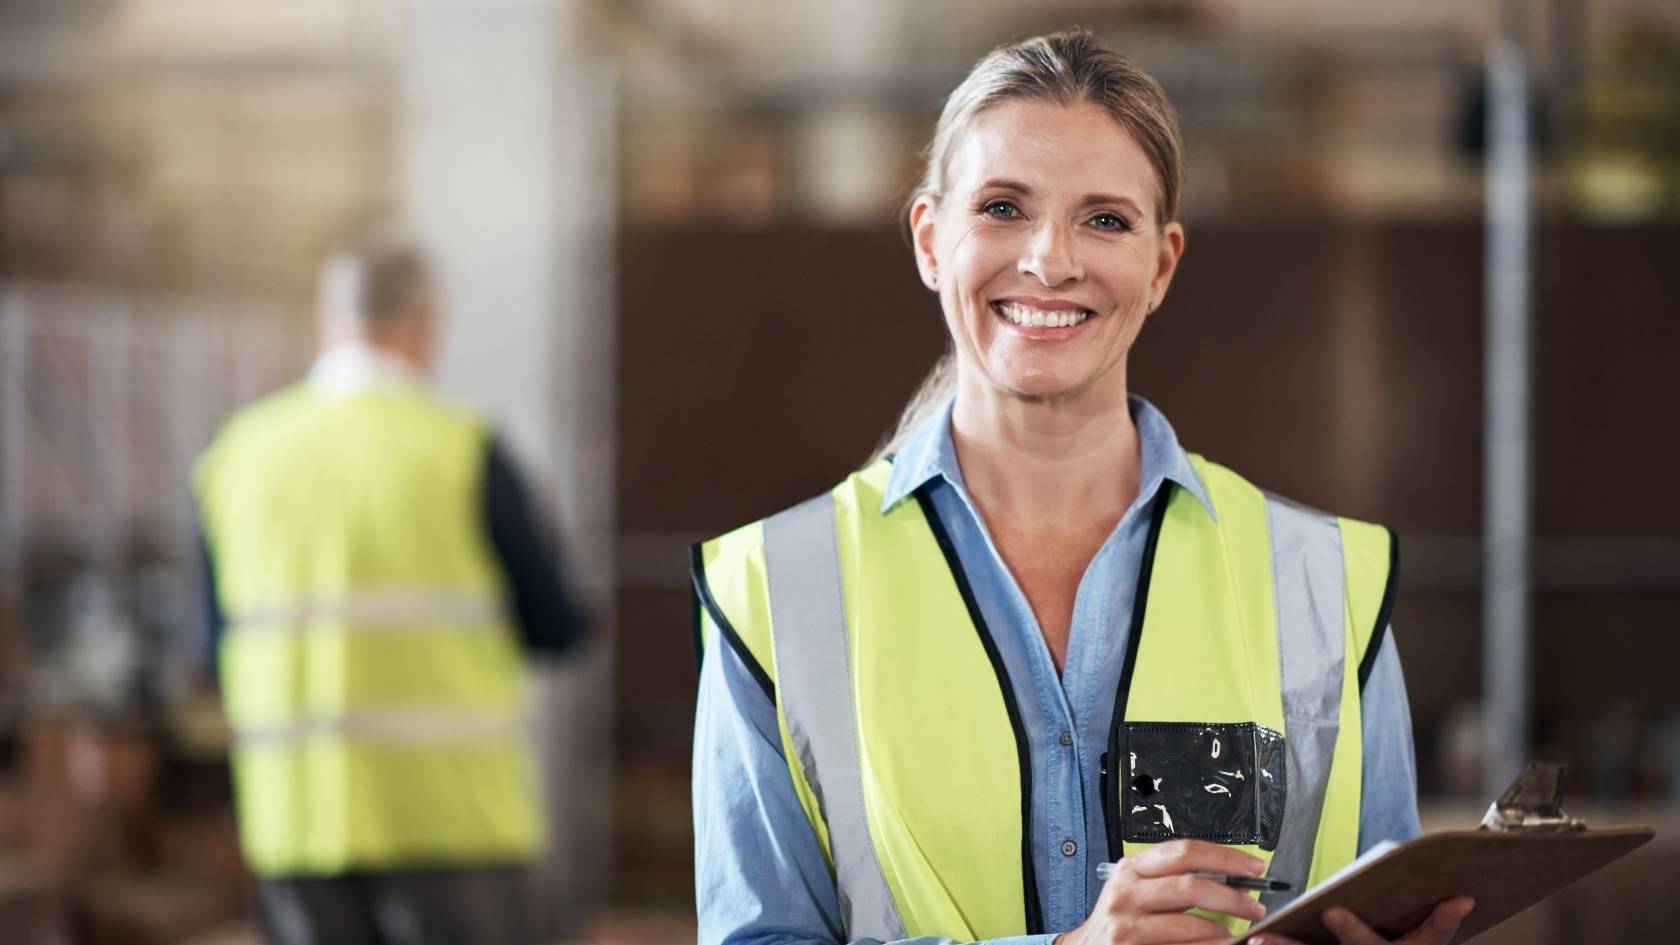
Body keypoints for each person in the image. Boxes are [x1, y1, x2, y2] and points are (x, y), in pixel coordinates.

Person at [691, 30, 1473, 945]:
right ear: (931, 240)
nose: (1051, 260)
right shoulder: (776, 586)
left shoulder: (1326, 577)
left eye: (1104, 219)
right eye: (1003, 207)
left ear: (1162, 265)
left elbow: (1368, 904)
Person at [194, 233, 587, 945]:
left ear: (322, 324)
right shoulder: (463, 449)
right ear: (424, 324)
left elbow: (212, 642)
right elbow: (559, 624)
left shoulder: (236, 455)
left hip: (294, 822)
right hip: (450, 822)